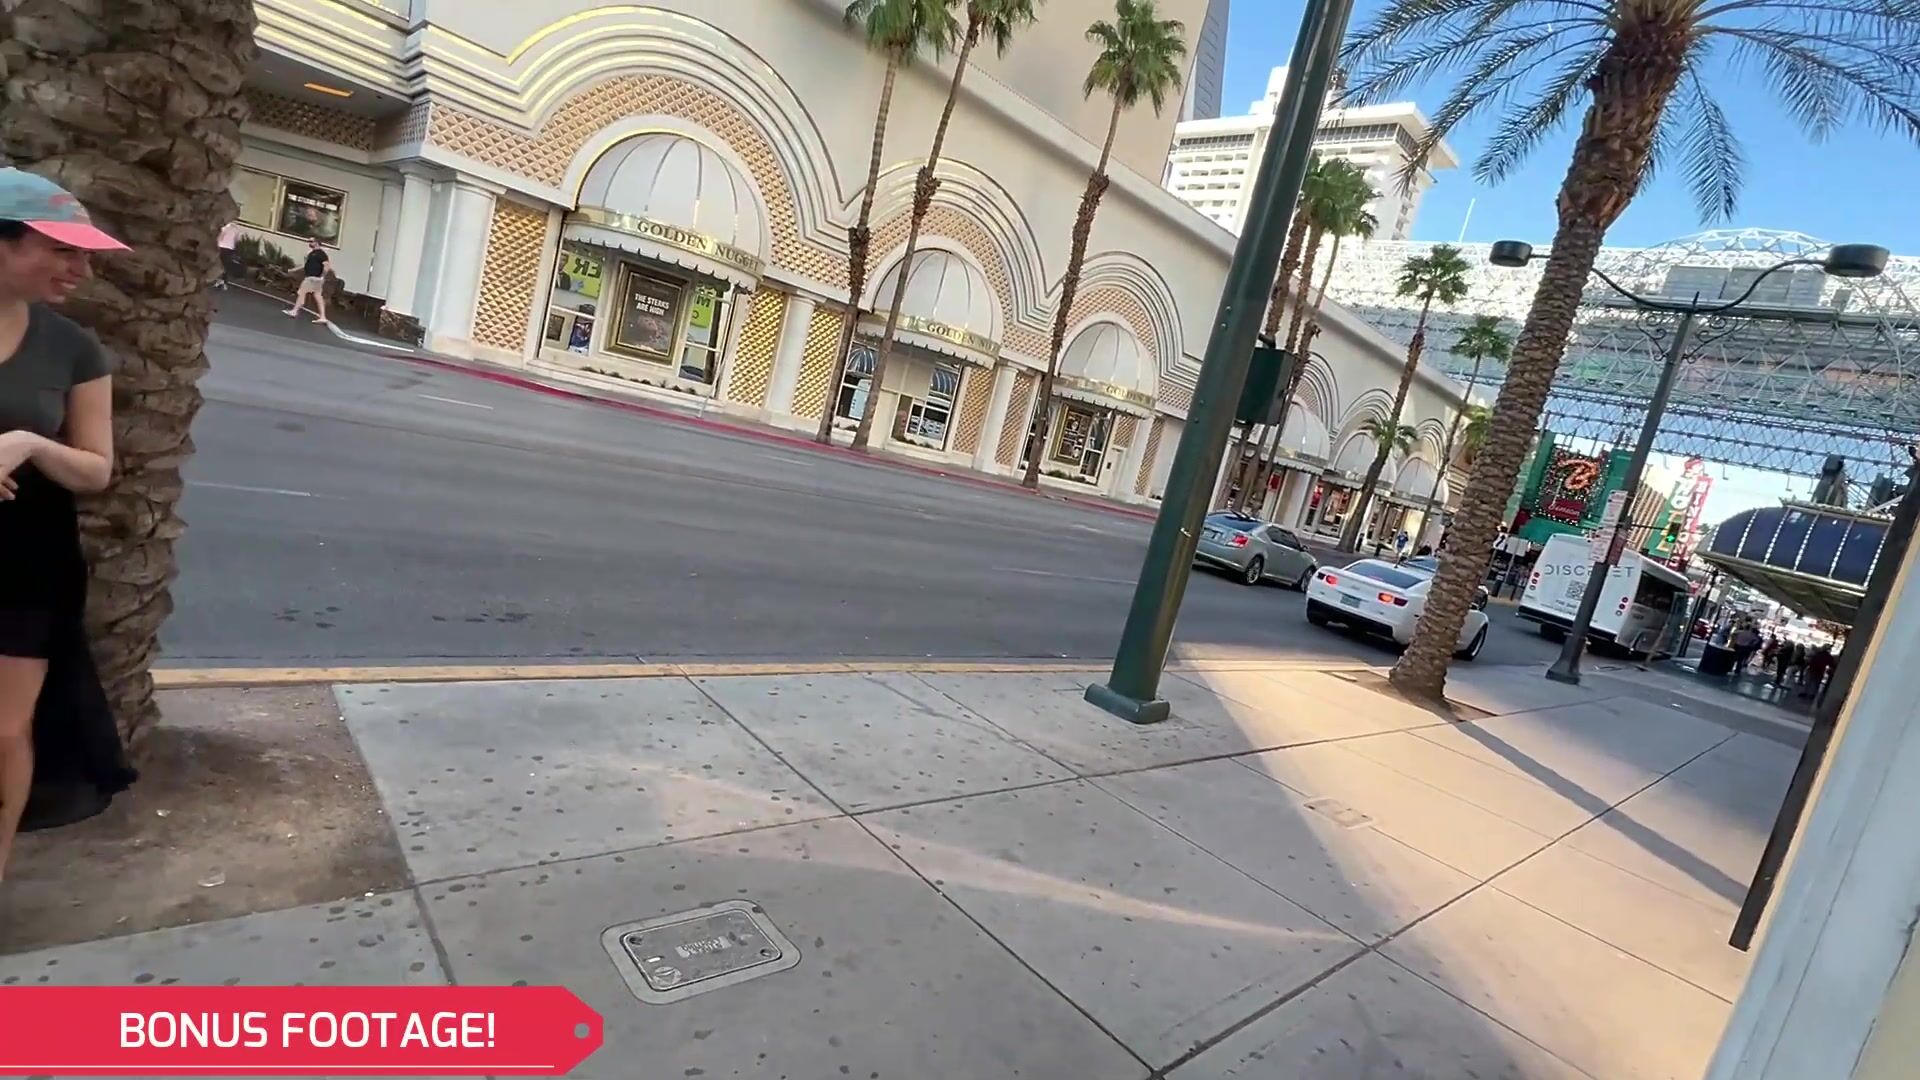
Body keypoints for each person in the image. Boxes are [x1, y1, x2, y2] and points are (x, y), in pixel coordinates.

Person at [0, 168, 137, 879]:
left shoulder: (74, 348)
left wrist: (29, 443)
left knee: (4, 730)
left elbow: (95, 468)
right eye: (62, 250)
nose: (80, 270)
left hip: (24, 559)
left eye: (85, 255)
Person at [286, 238, 330, 324]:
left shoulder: (321, 254)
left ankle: (295, 311)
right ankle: (323, 317)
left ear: (317, 243)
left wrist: (322, 276)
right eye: (309, 241)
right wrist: (293, 270)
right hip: (314, 278)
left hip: (313, 278)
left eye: (311, 241)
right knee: (318, 296)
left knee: (302, 293)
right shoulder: (311, 253)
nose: (309, 243)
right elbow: (305, 265)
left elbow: (326, 266)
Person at [215, 220, 240, 290]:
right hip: (230, 248)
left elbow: (220, 237)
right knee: (225, 265)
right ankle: (224, 282)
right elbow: (237, 240)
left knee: (219, 264)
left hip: (221, 246)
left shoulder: (225, 227)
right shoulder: (237, 229)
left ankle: (219, 281)